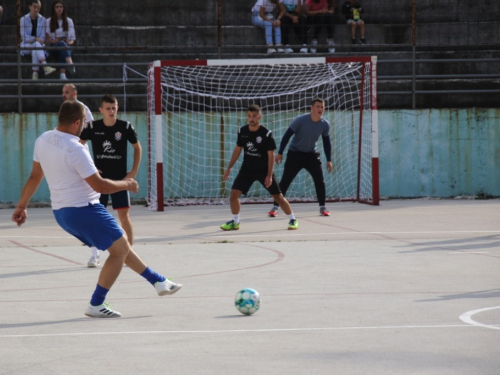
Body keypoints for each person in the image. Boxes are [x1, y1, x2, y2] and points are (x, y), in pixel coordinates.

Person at [11, 101, 181, 318]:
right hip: (85, 209)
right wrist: (127, 184)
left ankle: (158, 281)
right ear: (76, 122)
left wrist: (21, 206)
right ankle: (96, 304)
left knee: (120, 245)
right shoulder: (75, 148)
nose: (86, 125)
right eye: (85, 121)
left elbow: (35, 176)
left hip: (62, 213)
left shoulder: (43, 139)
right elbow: (100, 186)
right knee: (119, 250)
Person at [79, 94, 141, 269]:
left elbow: (137, 147)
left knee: (124, 216)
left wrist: (133, 172)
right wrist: (89, 166)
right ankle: (94, 254)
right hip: (99, 181)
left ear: (117, 108)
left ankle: (130, 253)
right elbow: (78, 145)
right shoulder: (92, 127)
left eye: (114, 108)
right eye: (108, 108)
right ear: (101, 110)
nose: (111, 111)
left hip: (120, 181)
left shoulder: (125, 127)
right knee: (95, 218)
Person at [222, 104, 298, 231]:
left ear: (259, 117)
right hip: (247, 169)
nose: (251, 119)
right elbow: (238, 149)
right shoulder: (242, 131)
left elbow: (271, 155)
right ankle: (235, 222)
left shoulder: (266, 134)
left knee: (278, 197)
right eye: (249, 116)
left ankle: (292, 219)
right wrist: (229, 167)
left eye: (254, 117)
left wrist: (269, 175)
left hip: (263, 170)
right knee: (234, 195)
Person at [268, 98, 333, 217]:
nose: (320, 109)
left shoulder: (325, 124)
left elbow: (326, 143)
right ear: (311, 108)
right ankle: (275, 207)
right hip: (295, 154)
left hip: (311, 155)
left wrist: (329, 160)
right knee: (285, 180)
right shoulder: (300, 120)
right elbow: (287, 136)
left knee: (320, 180)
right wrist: (280, 152)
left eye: (322, 107)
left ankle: (322, 207)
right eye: (317, 106)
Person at [20, 0, 56, 80]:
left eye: (38, 8)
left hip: (38, 46)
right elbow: (24, 36)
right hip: (26, 46)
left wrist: (36, 40)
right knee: (36, 44)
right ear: (30, 7)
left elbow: (42, 38)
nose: (36, 10)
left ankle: (35, 74)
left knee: (35, 50)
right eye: (34, 7)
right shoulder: (23, 19)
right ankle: (45, 65)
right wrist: (35, 39)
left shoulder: (43, 20)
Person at [45, 0, 75, 80]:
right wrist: (54, 41)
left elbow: (72, 39)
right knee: (62, 44)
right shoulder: (48, 21)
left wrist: (68, 42)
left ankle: (63, 75)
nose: (59, 9)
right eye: (57, 7)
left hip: (66, 46)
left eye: (61, 7)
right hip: (54, 46)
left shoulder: (69, 21)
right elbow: (47, 38)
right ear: (54, 9)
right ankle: (70, 64)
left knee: (63, 47)